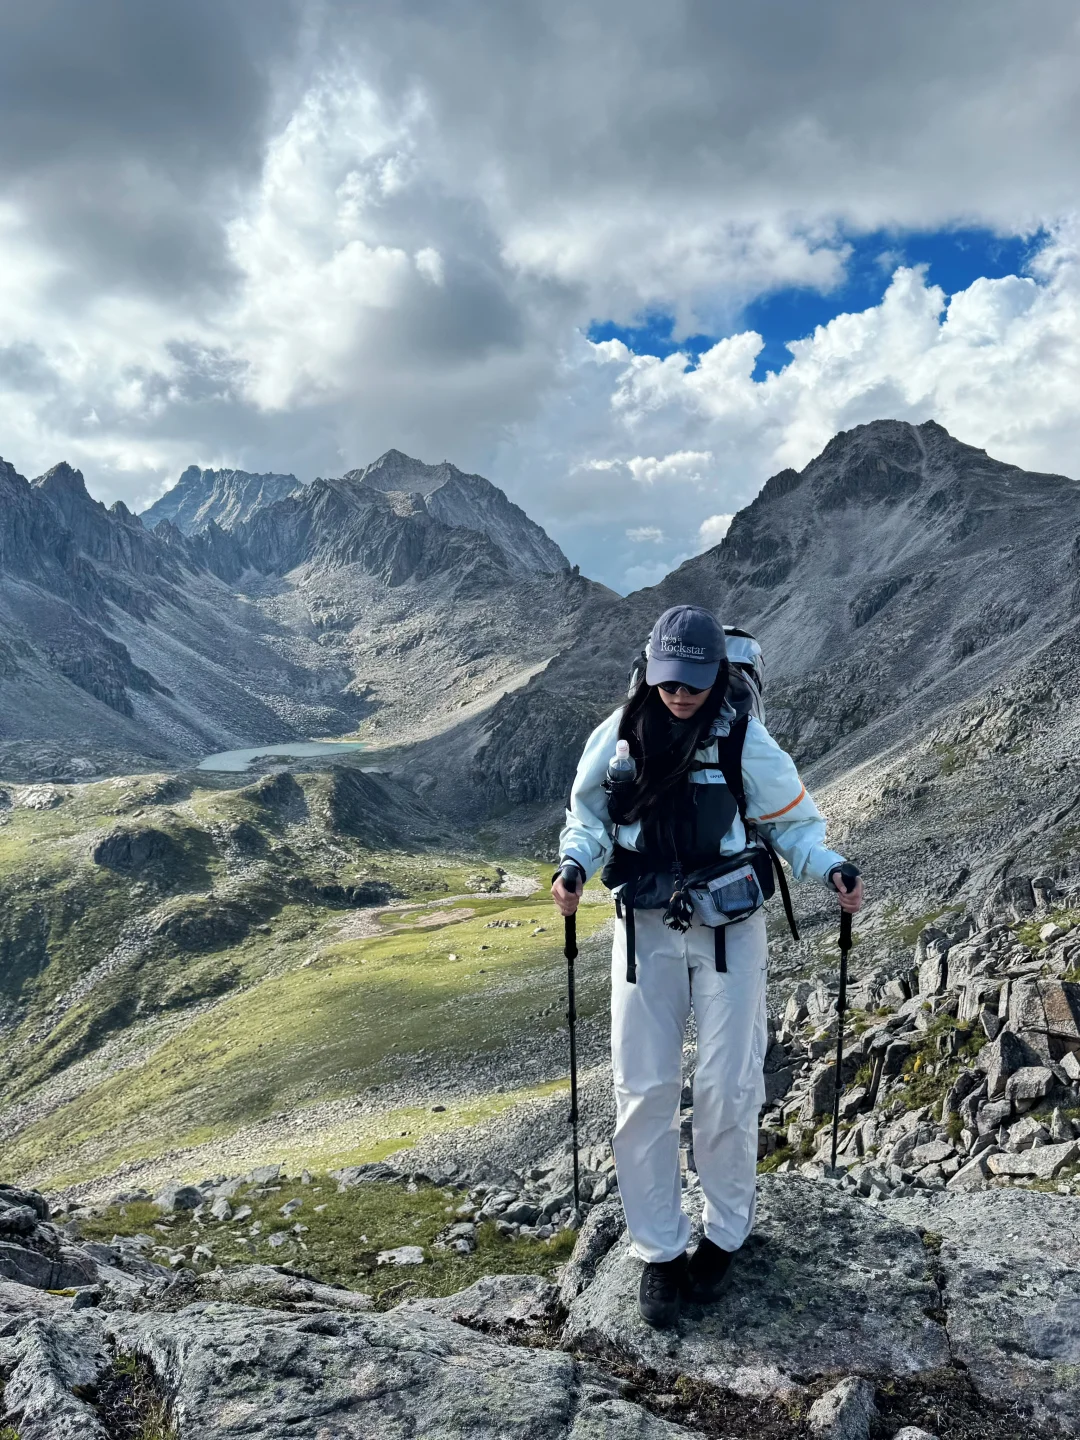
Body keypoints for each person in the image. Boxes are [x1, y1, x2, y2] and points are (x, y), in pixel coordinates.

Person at [552, 604, 863, 1328]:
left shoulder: (743, 738)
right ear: (652, 670)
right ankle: (659, 1252)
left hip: (730, 928)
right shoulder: (619, 734)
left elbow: (793, 826)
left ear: (718, 672)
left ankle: (725, 1233)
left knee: (727, 1084)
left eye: (695, 681)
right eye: (669, 680)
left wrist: (831, 868)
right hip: (643, 927)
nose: (681, 694)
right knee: (644, 1089)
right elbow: (590, 820)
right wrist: (573, 864)